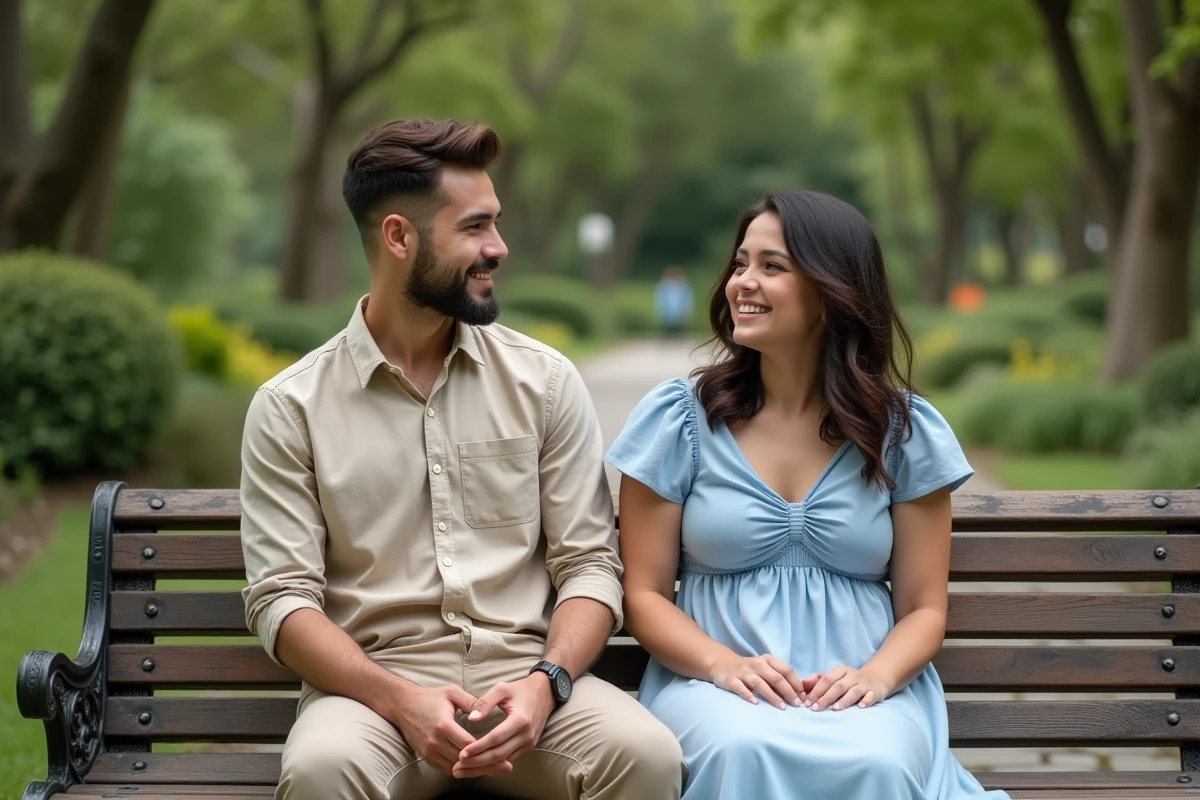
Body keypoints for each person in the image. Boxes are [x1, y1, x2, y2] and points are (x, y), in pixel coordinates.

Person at [239, 118, 684, 800]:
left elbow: (590, 566)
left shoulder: (545, 382)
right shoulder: (290, 406)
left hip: (529, 687)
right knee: (323, 770)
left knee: (645, 755)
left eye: (495, 223)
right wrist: (398, 700)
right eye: (475, 227)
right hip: (371, 700)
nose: (498, 247)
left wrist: (548, 682)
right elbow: (282, 599)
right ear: (399, 237)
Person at [604, 190, 1009, 800]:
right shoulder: (680, 420)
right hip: (713, 687)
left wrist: (876, 678)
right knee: (742, 748)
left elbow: (925, 609)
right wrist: (722, 665)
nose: (743, 282)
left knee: (878, 762)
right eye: (740, 263)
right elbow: (644, 595)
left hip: (867, 691)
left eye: (772, 266)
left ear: (832, 292)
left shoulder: (902, 433)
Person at [654, 265, 694, 338]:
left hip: (679, 310)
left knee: (679, 325)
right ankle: (668, 336)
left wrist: (687, 309)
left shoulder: (684, 286)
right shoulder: (663, 285)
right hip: (667, 310)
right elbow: (660, 298)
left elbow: (687, 299)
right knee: (667, 326)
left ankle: (678, 336)